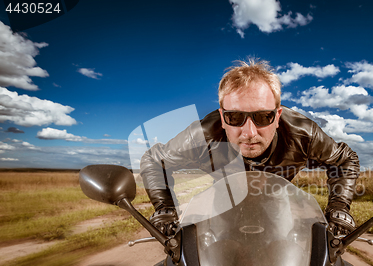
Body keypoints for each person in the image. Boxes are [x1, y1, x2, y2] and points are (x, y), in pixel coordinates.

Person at [140, 58, 360, 236]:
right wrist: (165, 208)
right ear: (222, 118)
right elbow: (153, 159)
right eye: (234, 117)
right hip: (224, 203)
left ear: (277, 116)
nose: (249, 133)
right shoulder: (202, 135)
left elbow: (345, 159)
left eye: (263, 116)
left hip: (276, 201)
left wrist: (339, 206)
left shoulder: (303, 134)